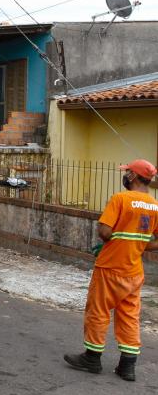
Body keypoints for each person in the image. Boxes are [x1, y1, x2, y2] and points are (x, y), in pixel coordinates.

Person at [64, 159, 158, 381]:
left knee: (98, 311)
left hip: (109, 269)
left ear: (134, 176)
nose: (124, 176)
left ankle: (92, 358)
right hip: (133, 272)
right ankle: (127, 366)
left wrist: (116, 239)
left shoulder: (120, 199)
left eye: (127, 172)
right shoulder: (155, 206)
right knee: (129, 316)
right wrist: (139, 244)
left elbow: (104, 232)